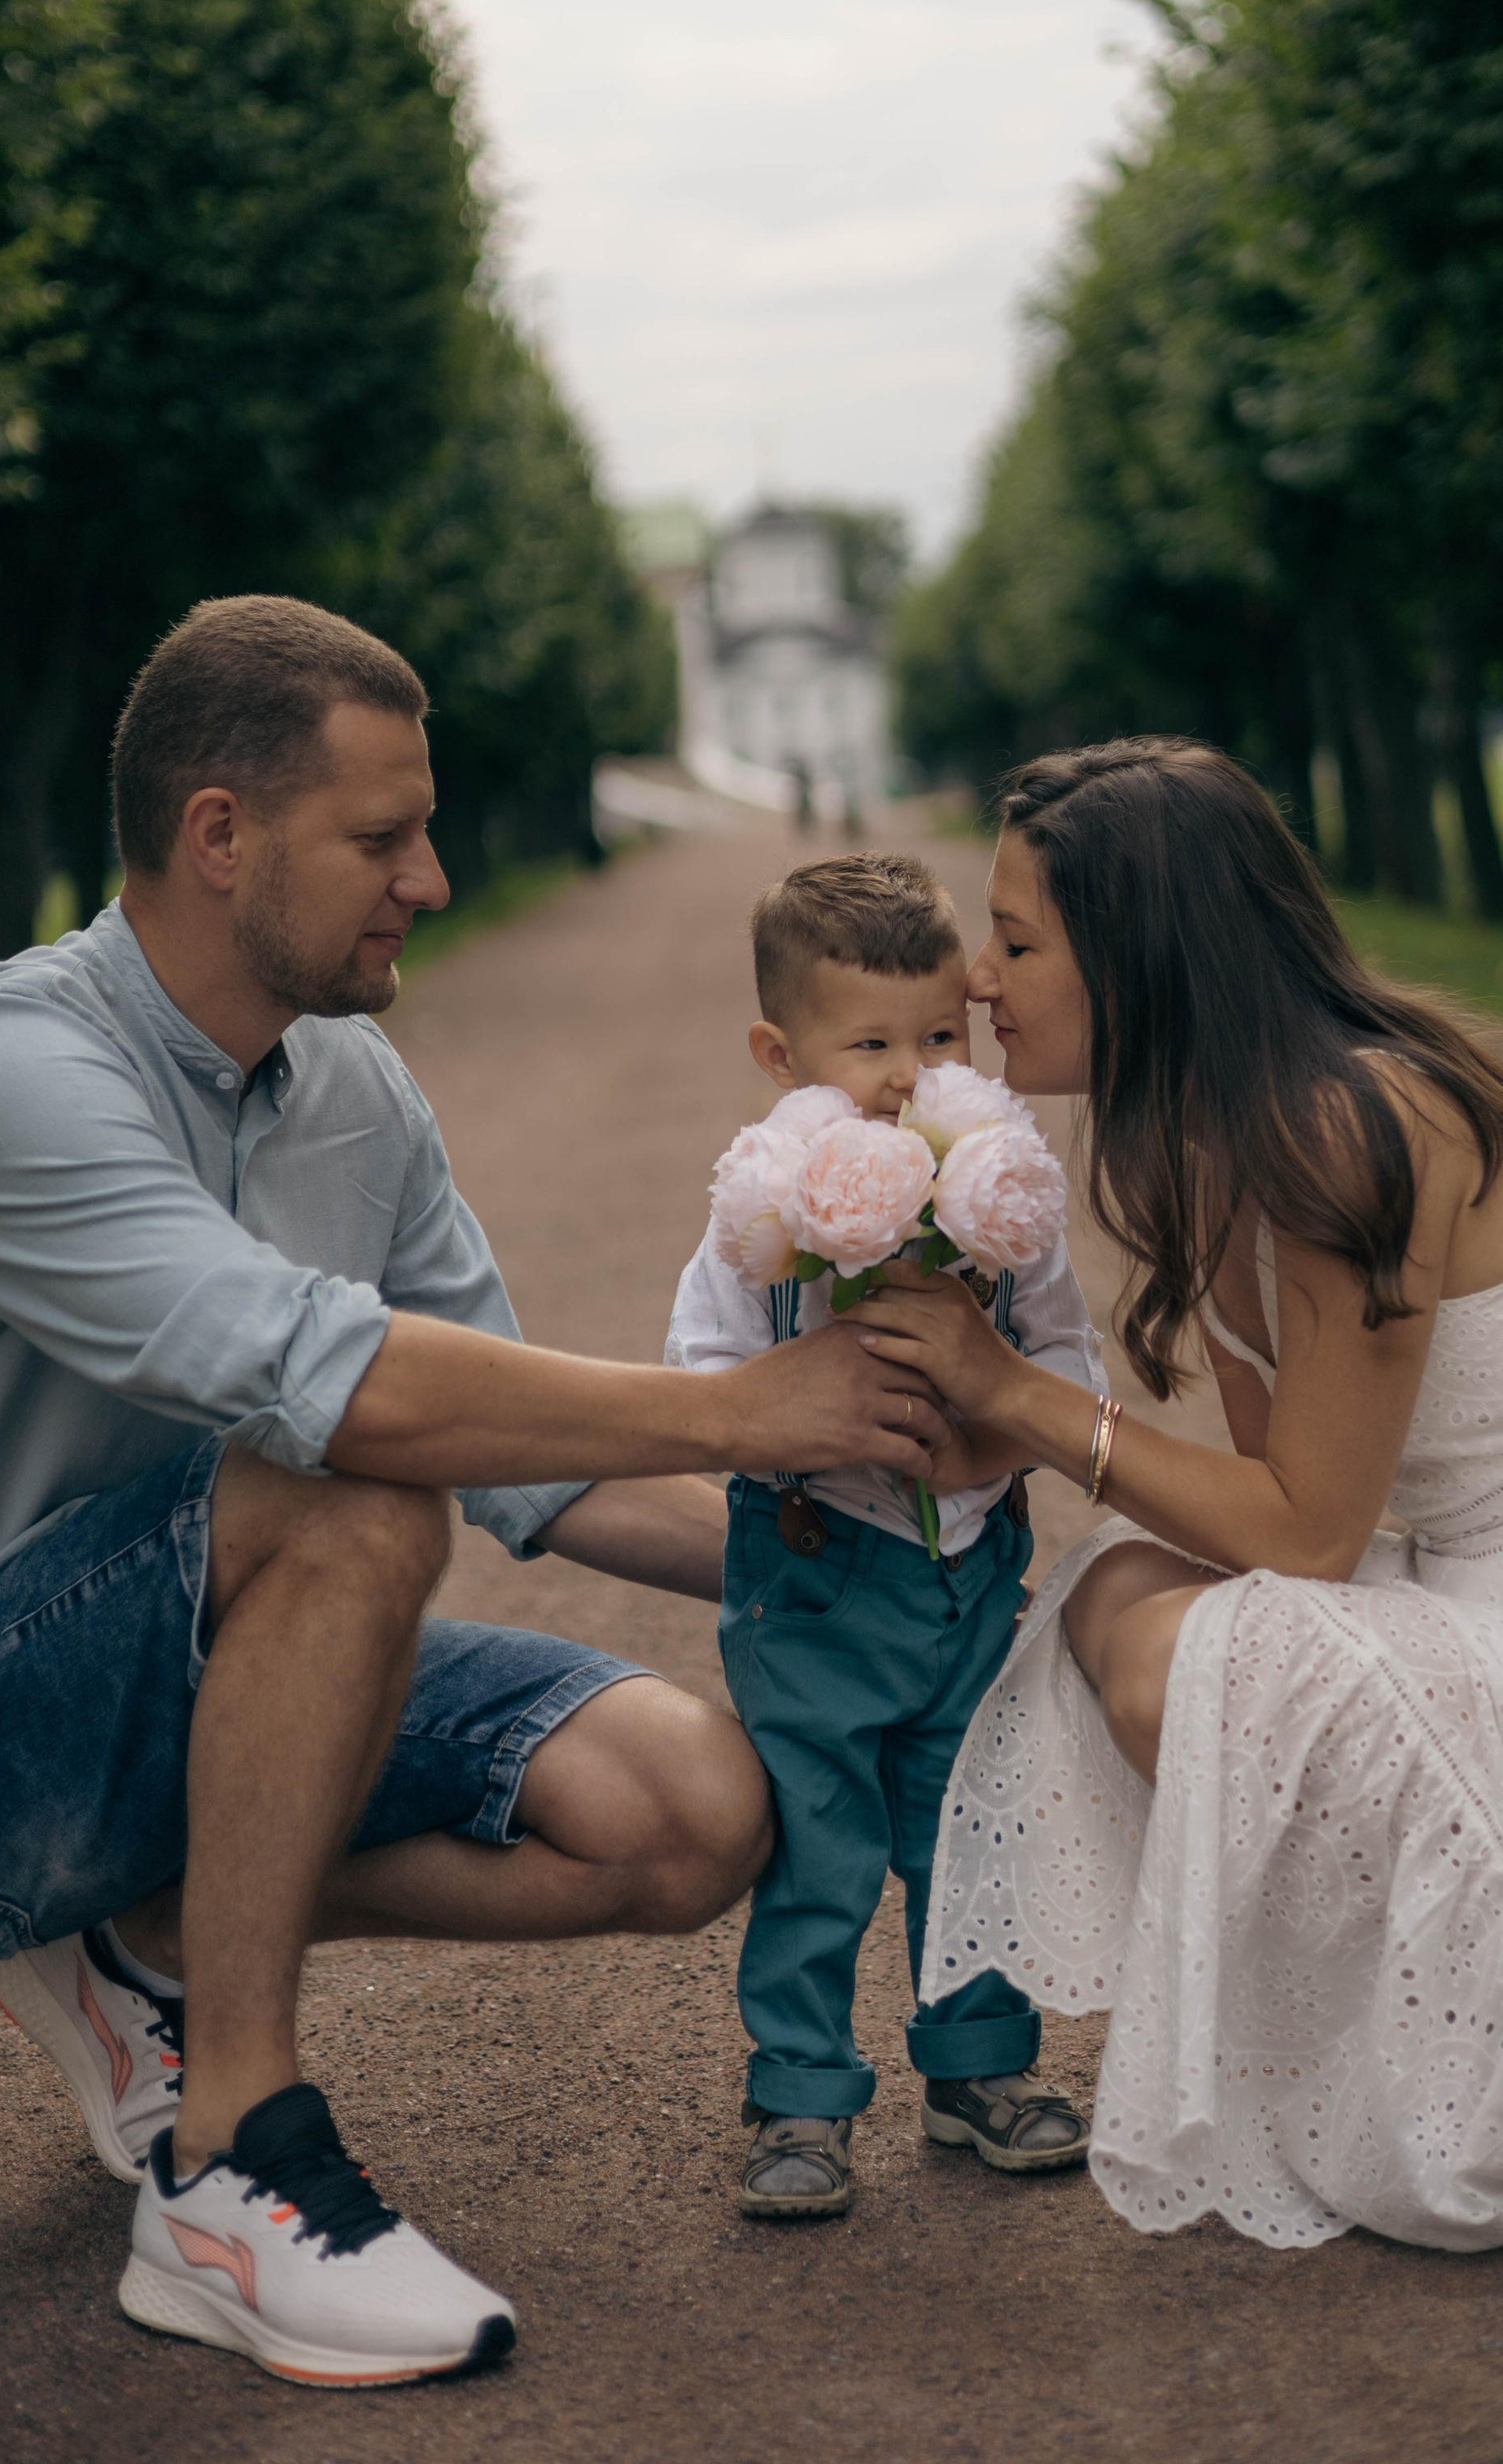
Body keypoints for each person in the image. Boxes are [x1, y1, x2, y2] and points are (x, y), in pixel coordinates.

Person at [0, 597, 952, 2391]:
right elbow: (337, 1387)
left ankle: (155, 1926)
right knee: (346, 1492)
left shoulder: (350, 1084)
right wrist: (744, 1413)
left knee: (689, 1811)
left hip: (207, 1664)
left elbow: (540, 1469)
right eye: (383, 836)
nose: (428, 872)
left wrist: (915, 1581)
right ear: (218, 835)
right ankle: (224, 2164)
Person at [856, 737, 1503, 2258]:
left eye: (1015, 941)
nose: (981, 979)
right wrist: (1007, 1432)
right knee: (1120, 1594)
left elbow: (1312, 1537)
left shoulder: (1350, 1120)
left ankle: (1471, 2060)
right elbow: (1281, 1509)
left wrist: (1020, 1400)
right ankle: (1399, 2038)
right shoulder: (1210, 1134)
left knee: (1165, 1642)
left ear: (1145, 952)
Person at [665, 853, 1099, 2217]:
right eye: (870, 1045)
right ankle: (799, 2095)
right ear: (778, 1055)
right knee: (820, 1841)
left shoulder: (1003, 1208)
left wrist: (983, 1434)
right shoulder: (760, 1225)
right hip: (814, 1576)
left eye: (939, 1038)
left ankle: (977, 2071)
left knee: (971, 1828)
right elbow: (697, 1390)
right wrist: (802, 1416)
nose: (909, 1075)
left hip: (970, 1566)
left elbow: (1071, 1370)